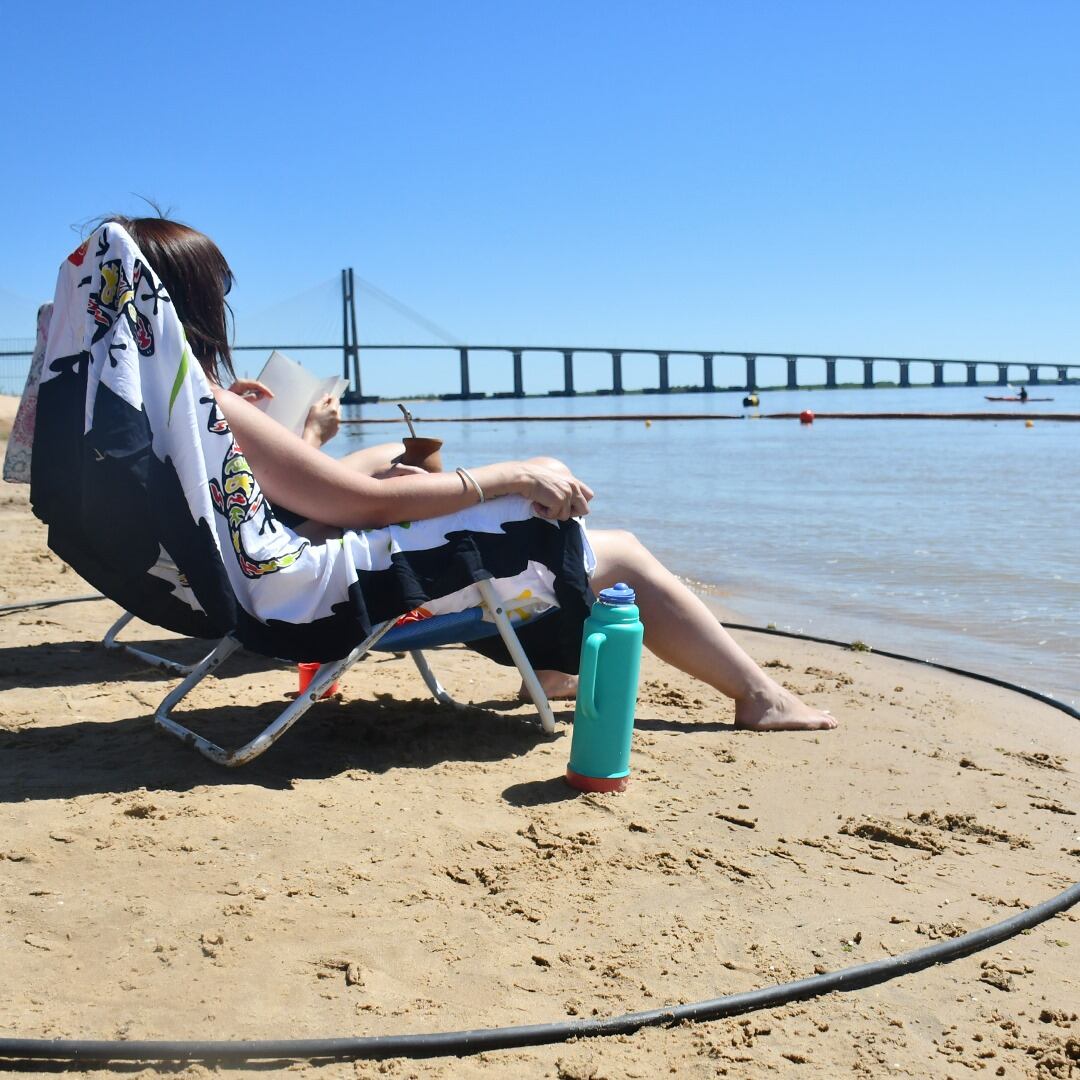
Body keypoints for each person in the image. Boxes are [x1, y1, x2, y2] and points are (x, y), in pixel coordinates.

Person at [108, 215, 836, 733]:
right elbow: (353, 504)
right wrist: (506, 474)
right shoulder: (208, 408)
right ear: (190, 309)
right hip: (316, 600)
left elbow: (316, 502)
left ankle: (551, 667)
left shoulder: (155, 412)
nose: (228, 306)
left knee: (480, 499)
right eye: (219, 294)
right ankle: (757, 696)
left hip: (268, 587)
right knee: (611, 549)